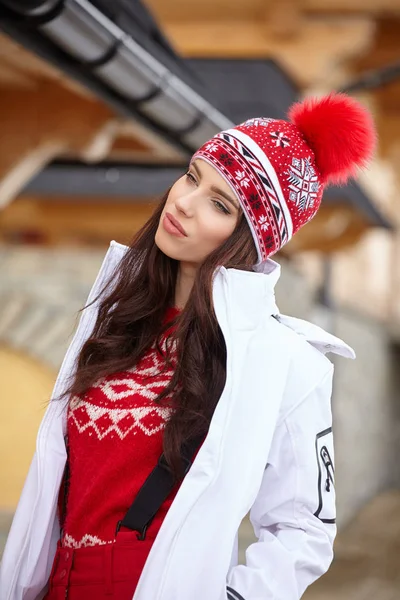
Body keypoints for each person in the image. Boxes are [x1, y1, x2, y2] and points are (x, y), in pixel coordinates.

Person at [0, 93, 376, 600]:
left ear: (248, 240)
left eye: (219, 205)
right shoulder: (115, 319)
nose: (183, 203)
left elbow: (303, 529)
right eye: (192, 175)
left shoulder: (282, 361)